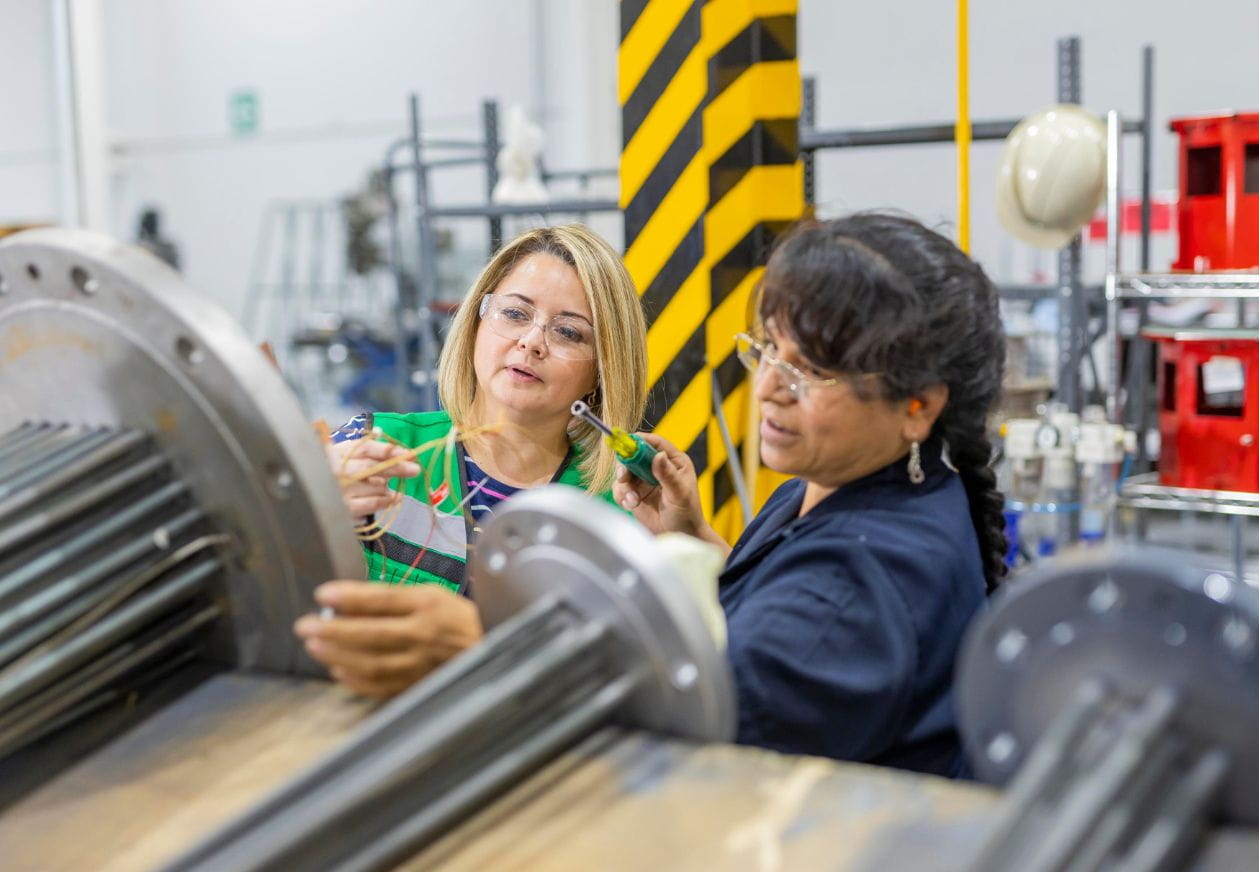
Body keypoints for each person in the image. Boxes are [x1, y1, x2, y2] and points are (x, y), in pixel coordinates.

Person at [614, 212, 1006, 777]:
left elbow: (690, 751)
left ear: (917, 406)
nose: (769, 386)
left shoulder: (859, 583)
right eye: (770, 347)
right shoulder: (842, 483)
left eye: (812, 370)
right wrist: (690, 535)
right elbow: (778, 602)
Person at [295, 224, 647, 697]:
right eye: (515, 314)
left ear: (601, 371)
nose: (531, 342)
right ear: (477, 322)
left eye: (568, 332)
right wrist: (310, 502)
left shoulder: (615, 510)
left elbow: (628, 679)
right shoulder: (376, 446)